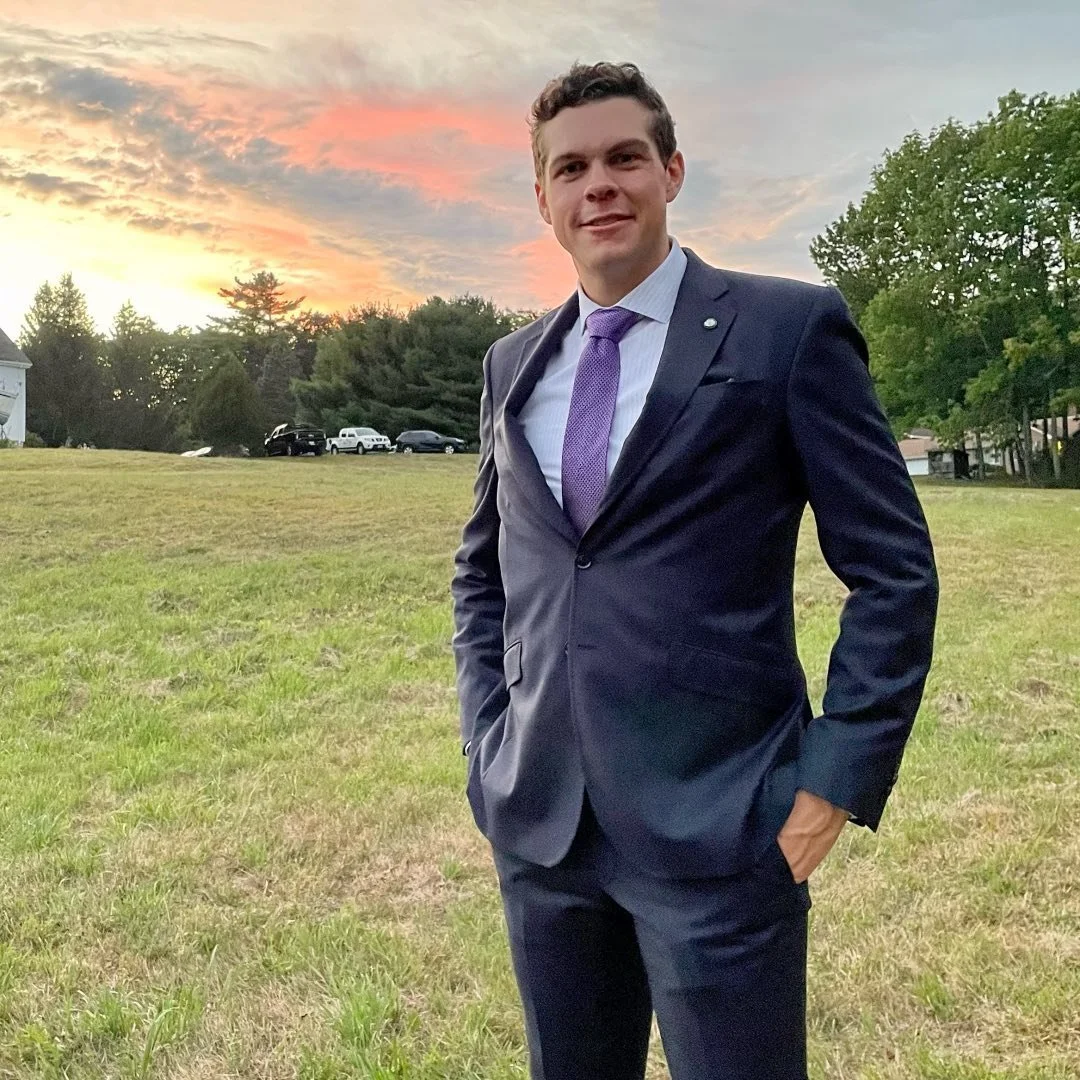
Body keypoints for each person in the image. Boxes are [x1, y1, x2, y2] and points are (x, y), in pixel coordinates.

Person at [451, 61, 938, 1080]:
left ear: (671, 170)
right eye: (571, 167)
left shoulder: (787, 330)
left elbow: (892, 570)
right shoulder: (511, 365)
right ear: (541, 199)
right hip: (543, 829)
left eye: (626, 157)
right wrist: (489, 743)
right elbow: (485, 573)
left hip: (723, 829)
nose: (601, 185)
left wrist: (833, 781)